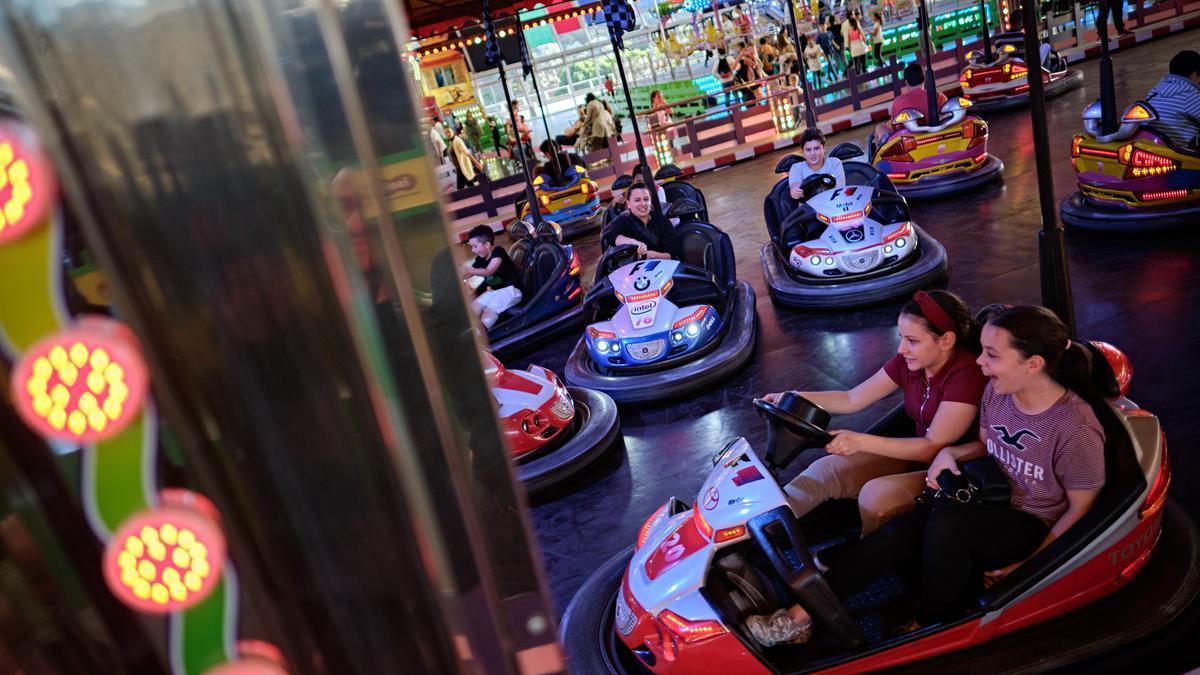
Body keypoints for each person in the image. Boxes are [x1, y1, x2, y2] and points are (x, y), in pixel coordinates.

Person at [745, 305, 1107, 647]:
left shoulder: (1074, 428)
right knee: (897, 531)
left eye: (992, 355)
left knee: (948, 520)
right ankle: (799, 617)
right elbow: (984, 444)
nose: (980, 363)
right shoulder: (1000, 396)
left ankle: (935, 622)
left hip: (1033, 523)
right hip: (991, 500)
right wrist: (950, 452)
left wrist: (1032, 567)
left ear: (1033, 364)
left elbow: (1081, 510)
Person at [760, 291, 987, 536]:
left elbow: (932, 446)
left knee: (875, 496)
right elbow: (852, 398)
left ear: (946, 340)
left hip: (952, 471)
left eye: (912, 340)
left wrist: (860, 442)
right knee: (825, 470)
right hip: (915, 454)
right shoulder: (909, 363)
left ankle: (864, 555)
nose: (901, 349)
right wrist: (793, 396)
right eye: (902, 337)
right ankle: (755, 533)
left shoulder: (966, 374)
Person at [460, 225, 523, 330]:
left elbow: (489, 271)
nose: (473, 250)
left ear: (487, 244)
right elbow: (468, 274)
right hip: (495, 292)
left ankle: (479, 334)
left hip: (513, 290)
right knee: (472, 307)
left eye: (475, 246)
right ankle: (466, 331)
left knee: (489, 310)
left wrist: (468, 270)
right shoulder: (481, 258)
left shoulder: (498, 252)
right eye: (471, 247)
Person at [873, 62, 948, 146]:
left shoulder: (898, 102)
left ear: (906, 82)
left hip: (908, 143)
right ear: (924, 79)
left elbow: (893, 127)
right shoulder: (939, 96)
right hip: (937, 137)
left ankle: (881, 157)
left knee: (879, 127)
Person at [601, 183, 676, 259]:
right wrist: (634, 243)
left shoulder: (662, 220)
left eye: (646, 199)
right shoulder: (623, 220)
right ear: (629, 203)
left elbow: (670, 254)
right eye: (637, 200)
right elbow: (608, 235)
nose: (643, 204)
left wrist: (651, 255)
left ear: (651, 202)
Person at [1146, 50, 1200, 150]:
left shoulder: (1154, 91)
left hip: (1153, 145)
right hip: (1181, 151)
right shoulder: (1189, 94)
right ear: (1195, 74)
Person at [788, 127, 846, 199]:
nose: (813, 153)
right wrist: (795, 191)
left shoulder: (834, 163)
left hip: (833, 205)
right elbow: (795, 184)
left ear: (824, 149)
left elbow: (840, 191)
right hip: (809, 208)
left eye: (816, 148)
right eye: (808, 150)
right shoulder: (797, 168)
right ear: (803, 152)